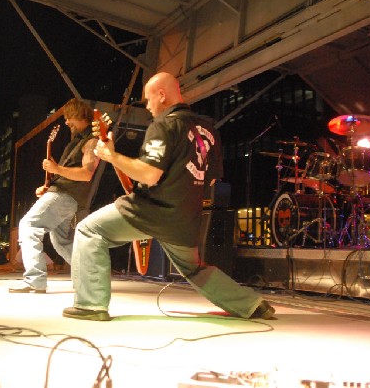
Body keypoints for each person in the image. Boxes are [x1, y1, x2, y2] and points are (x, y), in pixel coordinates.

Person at [62, 72, 275, 321]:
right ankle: (252, 305)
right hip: (186, 216)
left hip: (151, 210)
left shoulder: (164, 124)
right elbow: (212, 179)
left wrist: (112, 156)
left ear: (161, 95)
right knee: (194, 269)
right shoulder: (207, 128)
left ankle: (91, 306)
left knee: (89, 230)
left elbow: (150, 175)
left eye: (149, 100)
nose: (148, 106)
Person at [9, 98, 99, 293]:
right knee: (62, 241)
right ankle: (89, 280)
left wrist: (56, 168)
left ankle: (35, 279)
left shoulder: (91, 141)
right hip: (65, 195)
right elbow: (69, 173)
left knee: (29, 225)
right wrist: (49, 184)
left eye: (69, 118)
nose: (67, 122)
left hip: (66, 196)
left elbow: (86, 174)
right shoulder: (76, 142)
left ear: (79, 115)